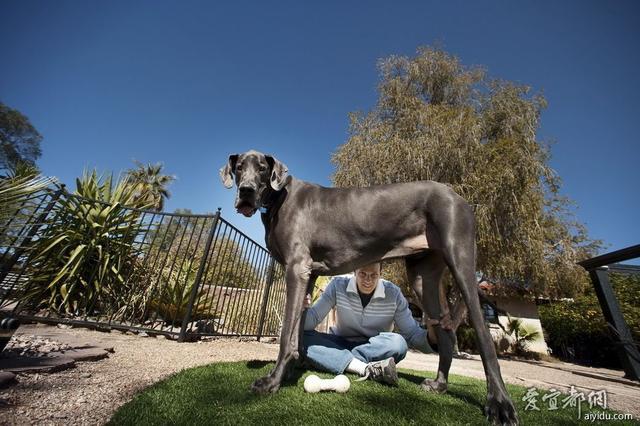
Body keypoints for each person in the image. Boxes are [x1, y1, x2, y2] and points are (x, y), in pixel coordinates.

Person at [302, 262, 439, 386]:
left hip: (373, 348)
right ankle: (364, 368)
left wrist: (432, 335)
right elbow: (312, 319)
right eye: (363, 274)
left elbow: (412, 334)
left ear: (381, 273)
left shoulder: (394, 294)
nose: (368, 280)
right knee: (300, 336)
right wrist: (301, 310)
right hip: (339, 342)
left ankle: (330, 359)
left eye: (374, 275)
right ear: (354, 271)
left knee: (399, 343)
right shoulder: (337, 285)